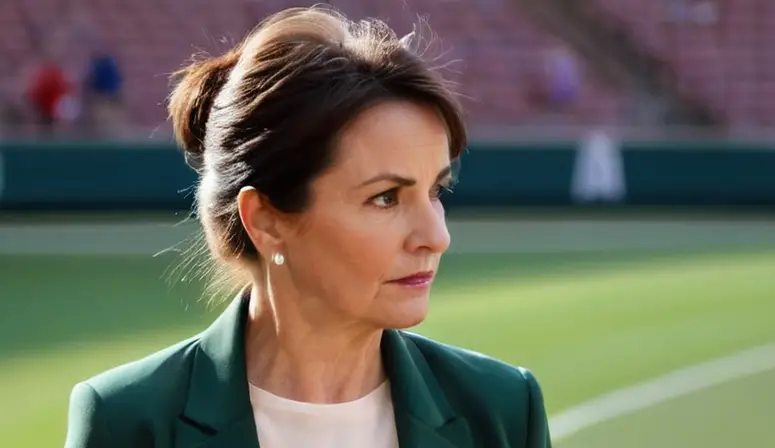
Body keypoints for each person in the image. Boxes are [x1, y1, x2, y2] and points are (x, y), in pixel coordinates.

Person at [65, 7, 551, 448]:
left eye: (435, 192)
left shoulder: (503, 409)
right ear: (266, 219)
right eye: (385, 198)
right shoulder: (128, 423)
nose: (436, 237)